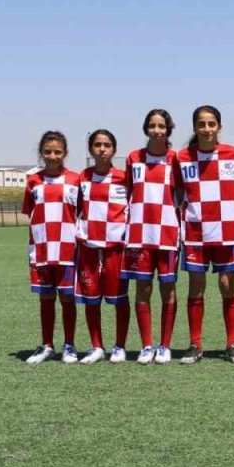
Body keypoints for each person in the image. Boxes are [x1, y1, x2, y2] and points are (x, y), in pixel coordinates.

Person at [178, 105, 234, 363]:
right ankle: (195, 345)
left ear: (219, 126)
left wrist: (225, 209)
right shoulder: (182, 157)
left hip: (226, 230)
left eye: (211, 124)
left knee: (227, 286)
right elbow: (178, 190)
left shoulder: (233, 153)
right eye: (201, 124)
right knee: (196, 287)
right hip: (195, 232)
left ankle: (232, 344)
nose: (207, 129)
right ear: (195, 127)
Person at [122, 109, 181, 365]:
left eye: (161, 126)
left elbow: (182, 194)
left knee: (168, 289)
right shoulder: (134, 157)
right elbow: (126, 192)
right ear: (146, 128)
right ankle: (146, 345)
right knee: (142, 289)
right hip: (140, 235)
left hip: (168, 233)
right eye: (152, 125)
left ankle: (165, 345)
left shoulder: (176, 158)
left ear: (168, 130)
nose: (157, 130)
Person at [21, 131, 81, 364]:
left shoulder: (76, 179)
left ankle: (69, 345)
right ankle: (47, 345)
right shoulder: (33, 180)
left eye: (57, 151)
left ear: (65, 153)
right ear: (41, 153)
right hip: (42, 248)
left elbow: (81, 212)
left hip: (68, 248)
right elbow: (30, 213)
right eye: (47, 151)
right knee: (46, 297)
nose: (52, 156)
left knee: (67, 298)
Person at [74, 129, 130, 364]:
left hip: (116, 248)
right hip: (88, 247)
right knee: (91, 298)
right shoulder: (81, 178)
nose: (102, 149)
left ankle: (119, 346)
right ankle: (96, 345)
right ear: (90, 149)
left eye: (107, 145)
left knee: (120, 299)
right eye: (97, 145)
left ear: (114, 149)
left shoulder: (124, 178)